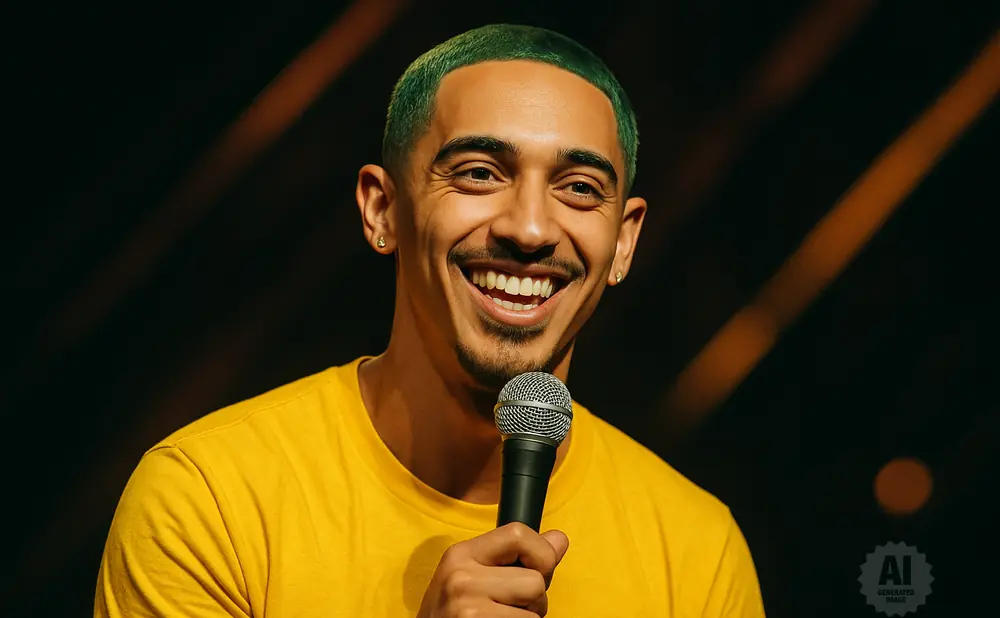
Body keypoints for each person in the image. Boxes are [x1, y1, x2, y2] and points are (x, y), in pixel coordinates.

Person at [95, 24, 765, 617]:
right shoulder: (209, 501)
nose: (530, 228)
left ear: (623, 241)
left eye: (580, 189)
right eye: (478, 173)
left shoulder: (696, 553)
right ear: (382, 209)